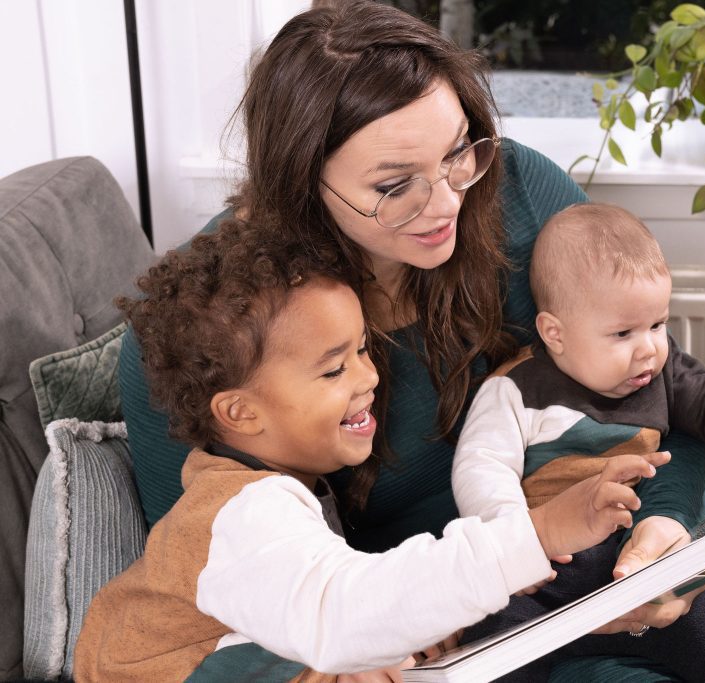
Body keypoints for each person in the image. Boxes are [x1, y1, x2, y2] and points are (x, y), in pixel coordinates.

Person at [118, 3, 705, 680]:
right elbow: (227, 575)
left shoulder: (521, 195)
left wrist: (659, 526)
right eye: (393, 184)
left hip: (614, 521)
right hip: (442, 612)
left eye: (456, 152)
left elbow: (657, 380)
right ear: (303, 179)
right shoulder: (215, 324)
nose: (445, 201)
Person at [75, 218, 670, 681]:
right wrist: (536, 535)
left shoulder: (269, 491)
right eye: (334, 368)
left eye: (362, 350)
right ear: (240, 412)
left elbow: (322, 613)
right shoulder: (239, 512)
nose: (367, 378)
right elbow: (344, 609)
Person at [451, 203, 705, 682]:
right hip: (548, 567)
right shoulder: (515, 389)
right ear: (555, 333)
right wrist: (517, 540)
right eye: (623, 333)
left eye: (658, 324)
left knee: (702, 592)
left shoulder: (660, 374)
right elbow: (482, 465)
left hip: (637, 562)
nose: (650, 348)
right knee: (491, 631)